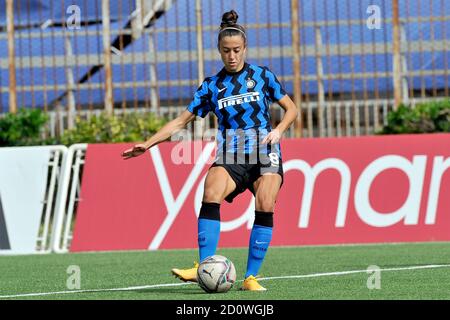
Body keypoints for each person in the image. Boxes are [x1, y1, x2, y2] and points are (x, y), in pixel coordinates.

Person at [122, 10, 298, 291]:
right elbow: (181, 121)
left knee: (265, 202)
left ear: (244, 48)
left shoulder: (262, 76)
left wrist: (279, 130)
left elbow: (292, 109)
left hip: (265, 152)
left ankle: (250, 277)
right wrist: (149, 142)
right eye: (226, 51)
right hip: (232, 155)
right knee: (211, 189)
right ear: (219, 50)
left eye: (237, 50)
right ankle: (203, 267)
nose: (232, 56)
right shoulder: (212, 86)